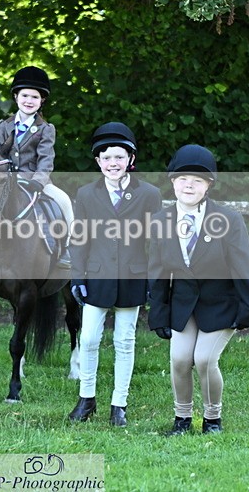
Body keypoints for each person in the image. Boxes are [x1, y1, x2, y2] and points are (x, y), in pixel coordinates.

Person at [147, 144, 249, 435]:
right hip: (183, 304)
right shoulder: (160, 221)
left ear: (208, 185)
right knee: (180, 358)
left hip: (221, 303)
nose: (189, 184)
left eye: (198, 180)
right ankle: (182, 418)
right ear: (172, 181)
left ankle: (212, 419)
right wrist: (158, 314)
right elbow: (159, 272)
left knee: (205, 359)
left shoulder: (228, 220)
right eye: (183, 178)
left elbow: (243, 267)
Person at [68, 122, 162, 426]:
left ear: (130, 160)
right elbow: (79, 237)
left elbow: (156, 241)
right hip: (96, 275)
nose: (113, 164)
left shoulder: (149, 194)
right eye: (107, 158)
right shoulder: (86, 194)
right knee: (90, 338)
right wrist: (77, 276)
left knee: (124, 341)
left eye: (119, 157)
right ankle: (86, 398)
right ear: (98, 161)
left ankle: (118, 404)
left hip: (133, 276)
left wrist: (153, 279)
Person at [0, 65, 74, 269]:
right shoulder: (4, 125)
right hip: (4, 181)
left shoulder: (46, 129)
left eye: (35, 97)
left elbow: (46, 160)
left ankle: (66, 248)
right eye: (25, 95)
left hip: (34, 181)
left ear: (41, 100)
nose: (29, 101)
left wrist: (38, 182)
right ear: (16, 97)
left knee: (64, 201)